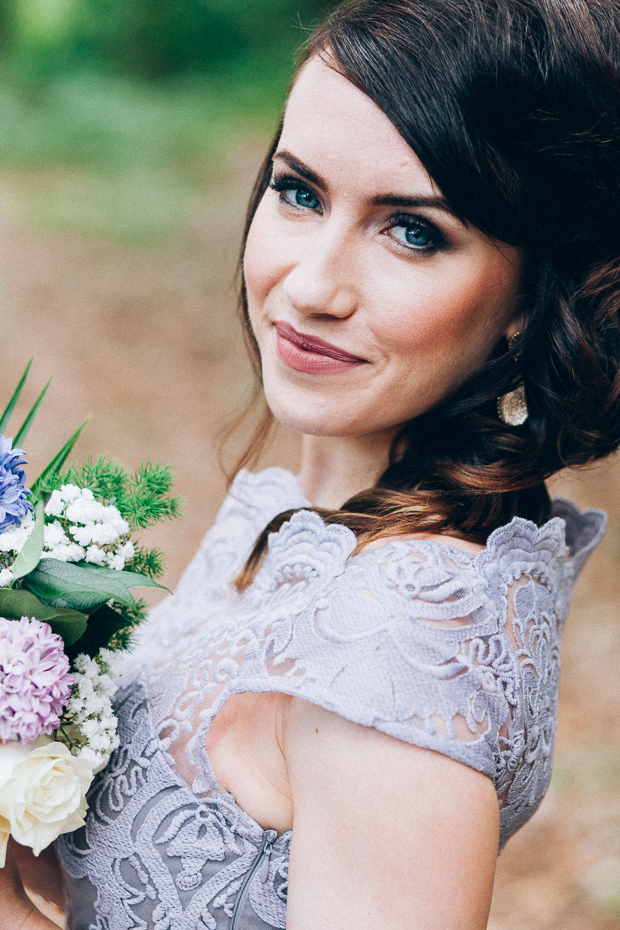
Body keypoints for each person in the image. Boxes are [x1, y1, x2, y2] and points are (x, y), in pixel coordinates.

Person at [3, 0, 620, 926]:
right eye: (299, 192)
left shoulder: (399, 644)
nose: (311, 285)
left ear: (531, 296)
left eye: (412, 231)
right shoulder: (312, 519)